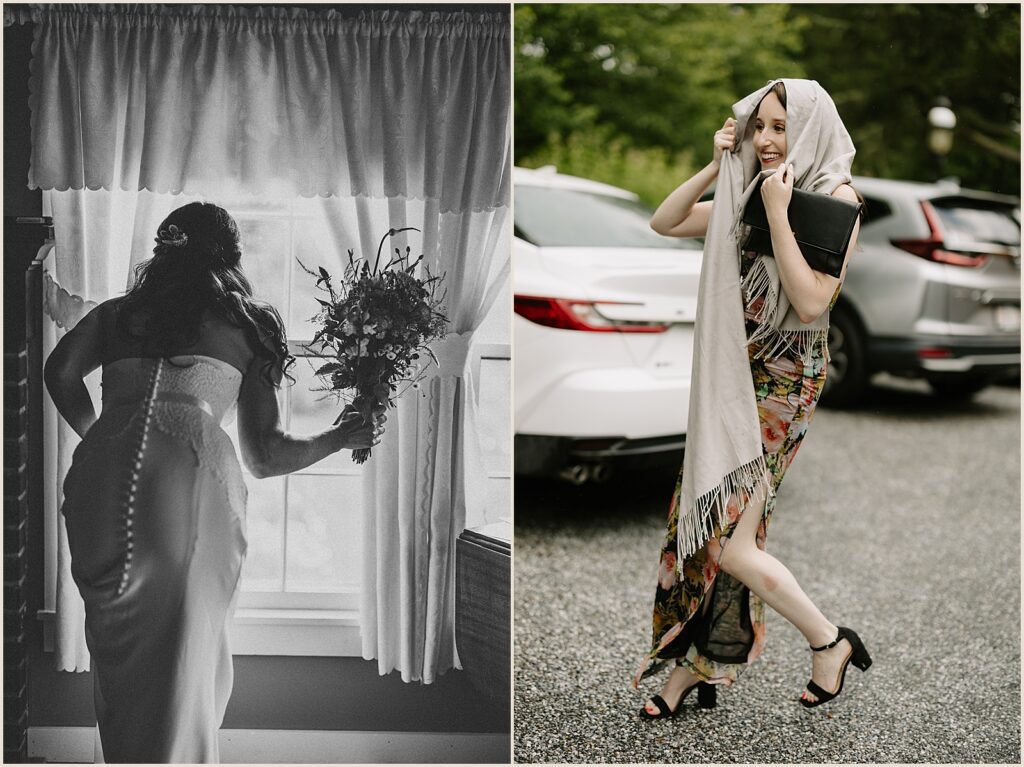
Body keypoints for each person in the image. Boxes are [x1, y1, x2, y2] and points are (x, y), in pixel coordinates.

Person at [44, 202, 383, 762]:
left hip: (101, 481)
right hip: (190, 481)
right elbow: (266, 455)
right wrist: (338, 437)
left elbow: (59, 371)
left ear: (162, 252)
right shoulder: (248, 328)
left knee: (121, 651)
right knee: (182, 652)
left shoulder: (115, 315)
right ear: (230, 257)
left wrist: (104, 436)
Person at [633, 79, 871, 719]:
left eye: (780, 127)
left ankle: (830, 641)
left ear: (811, 128)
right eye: (758, 126)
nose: (765, 139)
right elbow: (667, 220)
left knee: (731, 542)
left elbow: (814, 300)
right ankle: (694, 672)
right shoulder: (748, 187)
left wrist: (776, 212)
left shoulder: (835, 197)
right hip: (735, 376)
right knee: (702, 524)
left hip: (785, 381)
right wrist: (717, 166)